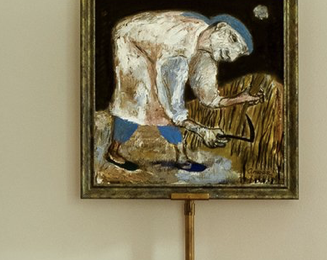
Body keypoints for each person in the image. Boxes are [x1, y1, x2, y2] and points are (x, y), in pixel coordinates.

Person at [104, 11, 260, 174]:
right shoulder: (178, 48)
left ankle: (181, 158)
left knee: (159, 106)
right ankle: (113, 151)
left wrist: (239, 98)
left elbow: (209, 97)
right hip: (131, 40)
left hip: (156, 47)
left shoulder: (207, 50)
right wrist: (201, 131)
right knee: (137, 99)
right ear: (219, 28)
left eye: (240, 51)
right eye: (233, 39)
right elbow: (172, 107)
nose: (233, 55)